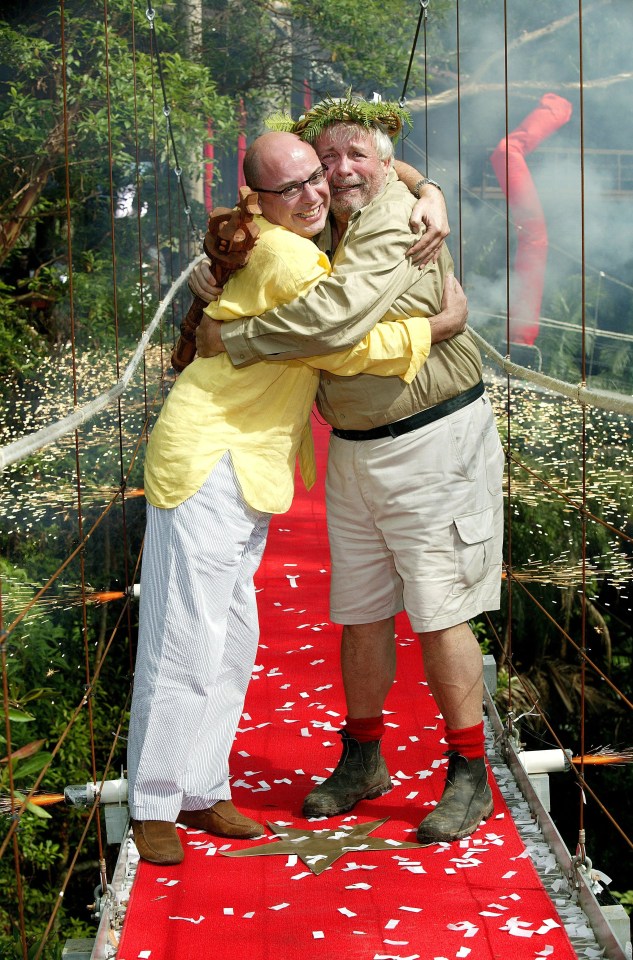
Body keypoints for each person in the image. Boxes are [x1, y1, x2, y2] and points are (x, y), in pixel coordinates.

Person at [127, 129, 467, 866]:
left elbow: (381, 163)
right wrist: (436, 327)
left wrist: (428, 186)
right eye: (291, 188)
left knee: (231, 639)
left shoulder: (276, 235)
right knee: (185, 637)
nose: (314, 193)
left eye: (317, 177)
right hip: (207, 457)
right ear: (259, 197)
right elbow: (338, 338)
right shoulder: (285, 254)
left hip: (246, 463)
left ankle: (201, 786)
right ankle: (154, 800)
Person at [194, 94, 504, 845]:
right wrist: (215, 276)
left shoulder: (399, 221)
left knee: (438, 612)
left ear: (380, 158)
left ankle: (471, 775)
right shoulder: (315, 205)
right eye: (324, 160)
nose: (336, 172)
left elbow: (333, 319)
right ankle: (363, 756)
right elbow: (260, 200)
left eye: (355, 155)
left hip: (435, 440)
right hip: (357, 445)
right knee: (360, 609)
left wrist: (229, 335)